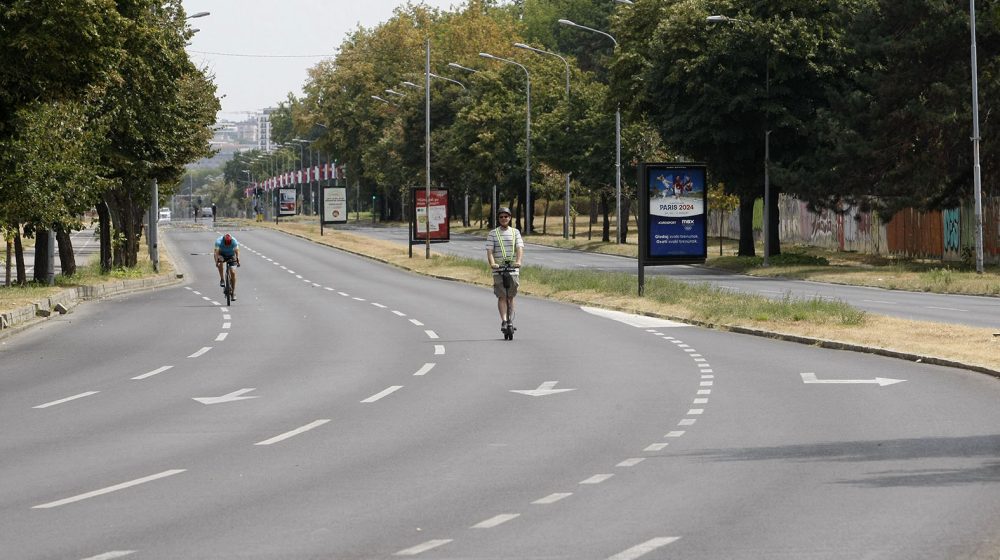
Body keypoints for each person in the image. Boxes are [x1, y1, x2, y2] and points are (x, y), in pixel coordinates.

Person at [485, 207, 524, 333]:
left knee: (510, 296)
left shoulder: (515, 232)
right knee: (502, 296)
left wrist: (518, 261)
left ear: (510, 218)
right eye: (501, 217)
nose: (503, 219)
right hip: (499, 269)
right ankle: (504, 320)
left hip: (513, 269)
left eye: (506, 216)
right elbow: (490, 251)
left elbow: (519, 248)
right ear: (498, 219)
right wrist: (493, 263)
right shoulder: (493, 233)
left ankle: (510, 320)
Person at [214, 233, 240, 300]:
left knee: (233, 272)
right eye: (226, 243)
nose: (228, 244)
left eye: (229, 243)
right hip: (221, 254)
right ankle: (222, 279)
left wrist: (238, 260)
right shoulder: (219, 241)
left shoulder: (234, 241)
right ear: (224, 240)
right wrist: (217, 262)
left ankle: (233, 293)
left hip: (231, 255)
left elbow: (237, 251)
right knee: (220, 262)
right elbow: (216, 252)